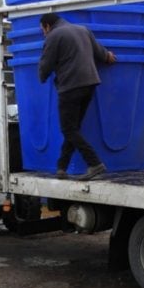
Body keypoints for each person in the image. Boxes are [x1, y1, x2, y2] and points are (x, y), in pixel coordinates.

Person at [38, 13, 117, 181]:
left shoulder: (54, 35)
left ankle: (94, 163)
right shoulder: (83, 30)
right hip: (90, 83)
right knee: (73, 128)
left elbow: (46, 63)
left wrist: (42, 76)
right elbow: (100, 53)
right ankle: (62, 167)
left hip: (70, 86)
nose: (43, 34)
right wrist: (109, 56)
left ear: (47, 26)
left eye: (42, 30)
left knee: (68, 129)